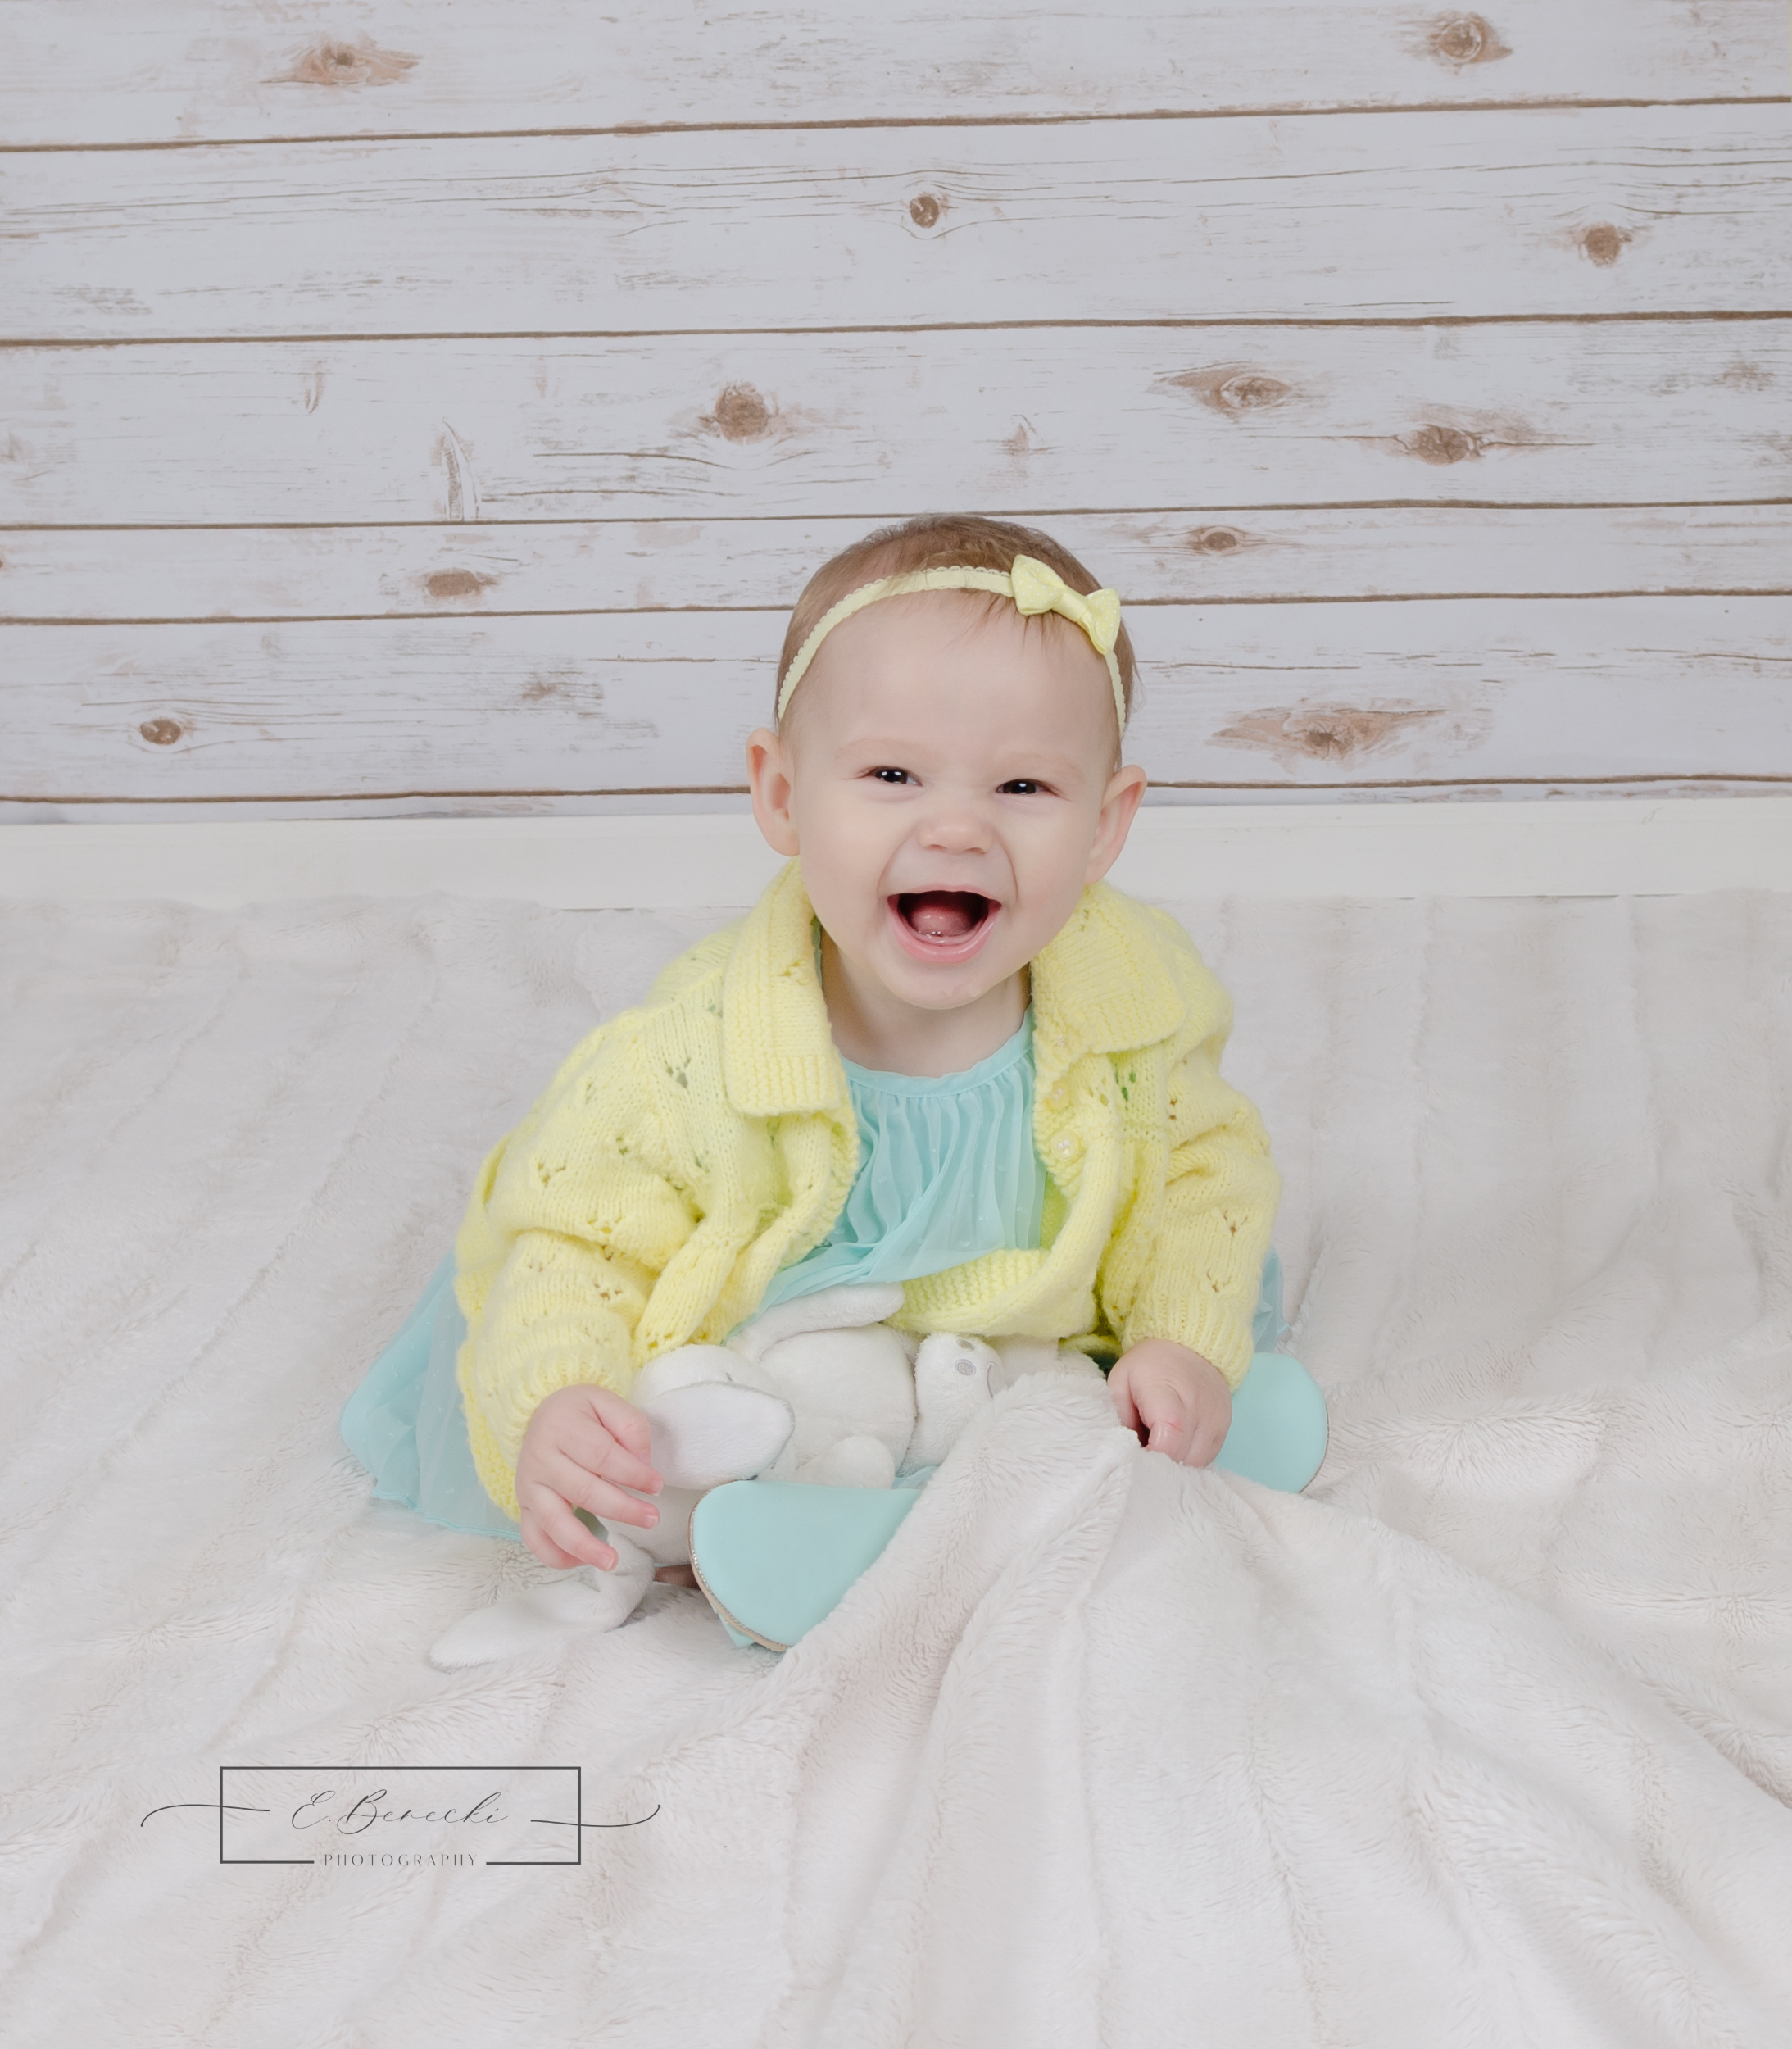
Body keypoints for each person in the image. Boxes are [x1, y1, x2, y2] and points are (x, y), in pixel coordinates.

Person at [341, 512, 1313, 1634]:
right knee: (700, 1421)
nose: (955, 830)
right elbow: (575, 1246)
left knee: (1105, 1371)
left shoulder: (1136, 1007)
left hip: (1002, 1333)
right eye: (893, 774)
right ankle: (805, 1527)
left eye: (1025, 790)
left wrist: (1179, 1343)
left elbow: (1204, 1175)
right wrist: (560, 1394)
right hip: (778, 1337)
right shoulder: (686, 1055)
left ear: (1106, 825)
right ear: (783, 794)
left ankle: (1069, 1452)